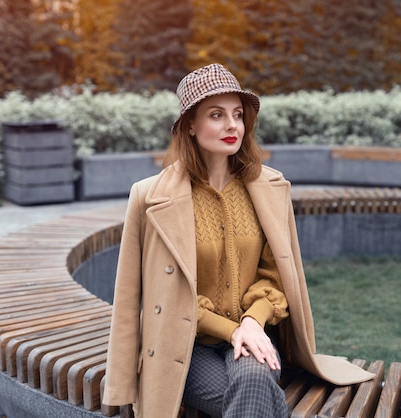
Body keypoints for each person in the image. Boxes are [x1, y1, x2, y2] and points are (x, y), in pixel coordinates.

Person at [103, 63, 374, 418]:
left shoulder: (270, 189)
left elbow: (277, 275)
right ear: (190, 126)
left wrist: (251, 322)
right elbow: (128, 301)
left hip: (256, 333)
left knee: (252, 383)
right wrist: (120, 387)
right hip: (185, 348)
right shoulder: (149, 196)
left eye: (237, 114)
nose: (232, 125)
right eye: (216, 115)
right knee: (257, 395)